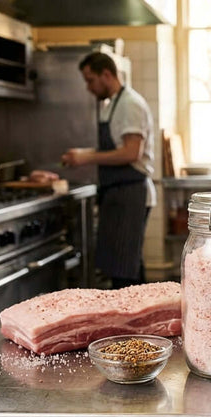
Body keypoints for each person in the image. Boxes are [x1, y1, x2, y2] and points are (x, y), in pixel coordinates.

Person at [62, 52, 156, 289]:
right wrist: (82, 153)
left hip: (131, 193)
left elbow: (131, 152)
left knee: (126, 272)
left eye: (90, 80)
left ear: (106, 74)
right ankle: (142, 311)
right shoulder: (113, 104)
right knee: (123, 267)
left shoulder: (130, 104)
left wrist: (86, 157)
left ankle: (138, 313)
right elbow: (116, 148)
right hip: (118, 193)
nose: (88, 87)